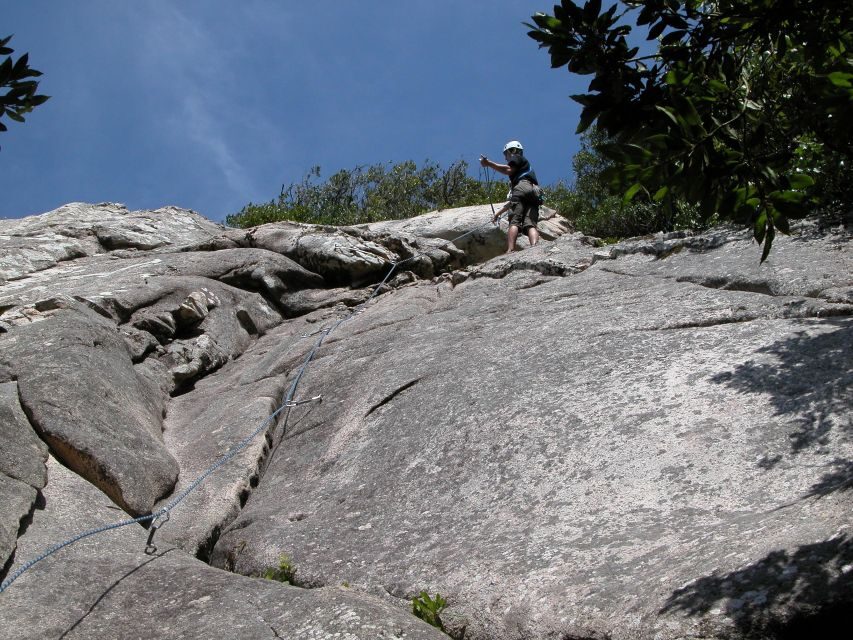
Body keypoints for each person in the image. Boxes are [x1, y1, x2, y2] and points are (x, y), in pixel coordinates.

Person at [479, 140, 541, 253]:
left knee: (514, 222)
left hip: (522, 187)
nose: (506, 158)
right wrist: (498, 214)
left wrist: (488, 164)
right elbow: (514, 201)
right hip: (534, 194)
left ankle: (510, 250)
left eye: (505, 154)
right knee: (530, 224)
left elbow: (508, 170)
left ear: (511, 151)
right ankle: (535, 248)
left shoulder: (517, 158)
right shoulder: (527, 169)